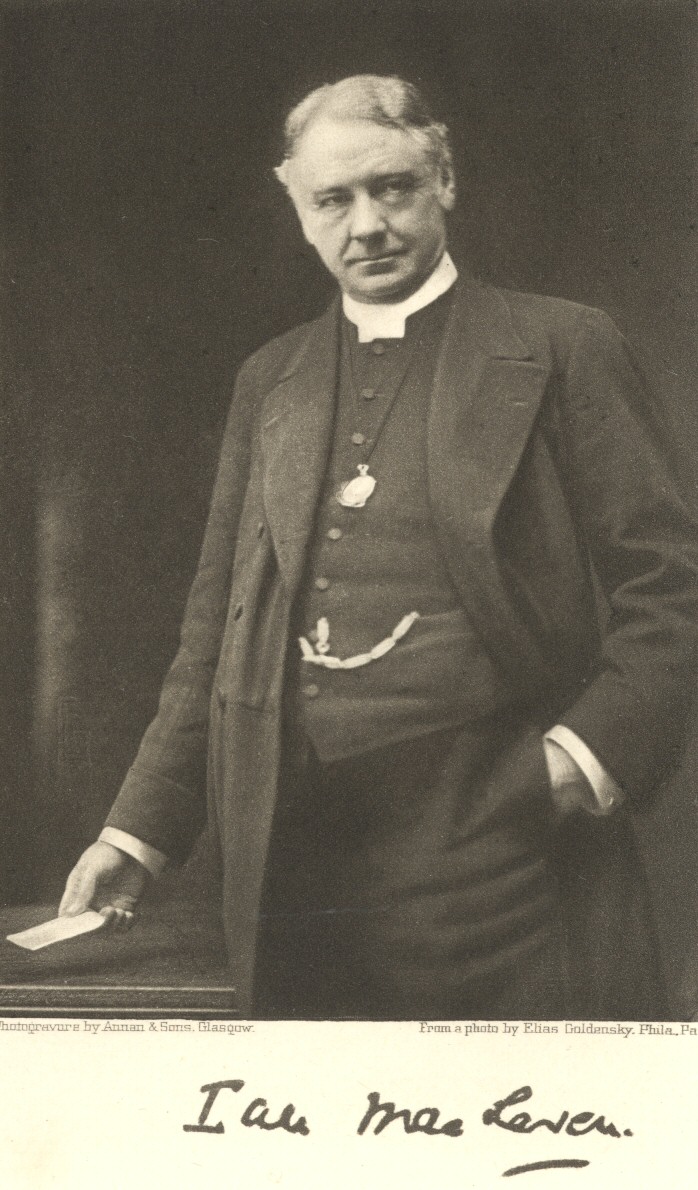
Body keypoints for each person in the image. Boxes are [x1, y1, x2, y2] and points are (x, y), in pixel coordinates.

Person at [59, 74, 698, 1020]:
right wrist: (138, 831)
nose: (367, 225)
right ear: (299, 210)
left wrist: (572, 764)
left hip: (508, 870)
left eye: (393, 187)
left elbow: (672, 587)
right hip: (297, 869)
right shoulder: (271, 379)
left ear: (445, 179)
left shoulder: (563, 345)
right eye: (333, 200)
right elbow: (217, 633)